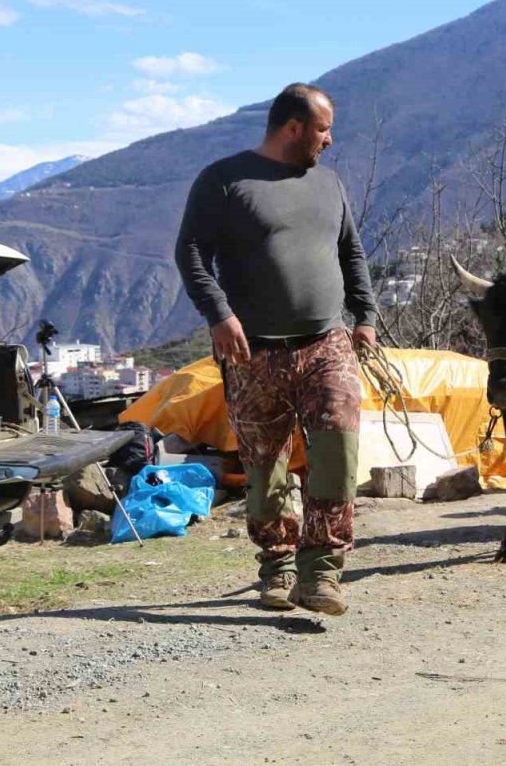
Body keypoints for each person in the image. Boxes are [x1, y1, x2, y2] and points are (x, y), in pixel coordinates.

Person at [174, 82, 378, 616]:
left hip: (326, 342)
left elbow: (351, 254)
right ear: (294, 128)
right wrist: (219, 314)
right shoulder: (223, 180)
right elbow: (191, 253)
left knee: (338, 451)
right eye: (323, 128)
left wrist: (366, 316)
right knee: (266, 467)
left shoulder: (330, 184)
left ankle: (323, 573)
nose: (330, 140)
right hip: (253, 353)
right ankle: (278, 567)